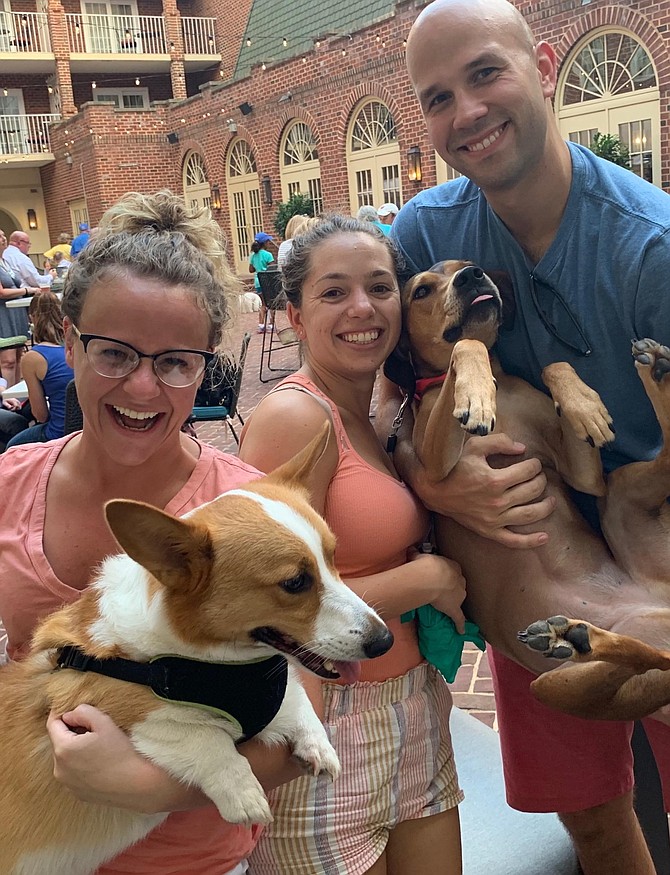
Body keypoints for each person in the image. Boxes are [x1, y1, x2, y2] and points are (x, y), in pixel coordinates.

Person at [383, 1, 670, 873]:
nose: (466, 112)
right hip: (535, 552)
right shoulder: (427, 235)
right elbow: (386, 400)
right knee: (588, 814)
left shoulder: (650, 247)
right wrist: (427, 477)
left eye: (484, 74)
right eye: (438, 97)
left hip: (653, 526)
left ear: (544, 65)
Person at [0, 190, 308, 875]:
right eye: (115, 353)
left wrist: (145, 784)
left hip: (190, 860)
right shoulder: (11, 481)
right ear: (70, 344)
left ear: (202, 366)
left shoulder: (241, 508)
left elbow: (299, 729)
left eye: (174, 362)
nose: (142, 388)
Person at [239, 215, 466, 875]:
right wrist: (427, 581)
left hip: (415, 704)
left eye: (379, 287)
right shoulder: (295, 417)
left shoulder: (380, 411)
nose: (362, 307)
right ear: (294, 315)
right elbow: (264, 610)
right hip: (325, 723)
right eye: (334, 292)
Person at [5, 292, 74, 448]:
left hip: (58, 433)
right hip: (86, 430)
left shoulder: (33, 358)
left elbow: (41, 415)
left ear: (32, 318)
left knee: (13, 448)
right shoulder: (77, 347)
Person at [0, 229, 40, 387]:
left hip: (16, 314)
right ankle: (7, 397)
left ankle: (17, 396)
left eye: (4, 235)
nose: (3, 239)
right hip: (4, 316)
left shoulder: (5, 262)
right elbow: (1, 292)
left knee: (18, 357)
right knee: (8, 360)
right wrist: (27, 290)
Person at [249, 231, 275, 333]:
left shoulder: (253, 256)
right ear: (264, 243)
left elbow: (251, 270)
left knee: (263, 304)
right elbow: (272, 268)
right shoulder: (268, 255)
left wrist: (258, 267)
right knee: (272, 303)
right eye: (268, 242)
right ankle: (271, 325)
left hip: (258, 282)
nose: (269, 244)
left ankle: (261, 325)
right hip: (267, 282)